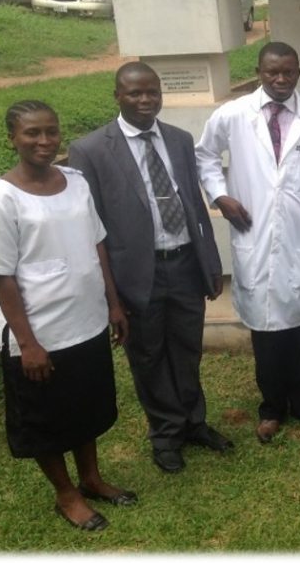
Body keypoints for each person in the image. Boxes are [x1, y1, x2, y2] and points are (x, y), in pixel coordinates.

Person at [0, 101, 135, 532]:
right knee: (46, 418)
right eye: (32, 133)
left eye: (50, 131)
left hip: (85, 321)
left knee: (85, 407)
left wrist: (113, 304)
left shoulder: (76, 182)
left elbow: (97, 243)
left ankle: (93, 478)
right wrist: (27, 343)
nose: (44, 141)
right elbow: (0, 276)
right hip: (39, 333)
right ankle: (66, 495)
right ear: (12, 138)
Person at [68, 62, 230, 475]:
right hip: (136, 276)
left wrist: (210, 263)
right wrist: (111, 297)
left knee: (187, 349)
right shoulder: (90, 150)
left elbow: (193, 205)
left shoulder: (178, 139)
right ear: (117, 95)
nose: (145, 100)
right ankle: (166, 434)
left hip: (183, 264)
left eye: (152, 93)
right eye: (135, 93)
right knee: (149, 356)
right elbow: (92, 229)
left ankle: (194, 422)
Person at [195, 41, 300, 443]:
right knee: (265, 328)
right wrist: (220, 196)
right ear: (260, 72)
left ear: (299, 73)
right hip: (255, 237)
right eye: (271, 72)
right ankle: (271, 406)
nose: (279, 80)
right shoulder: (232, 115)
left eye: (287, 73)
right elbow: (205, 156)